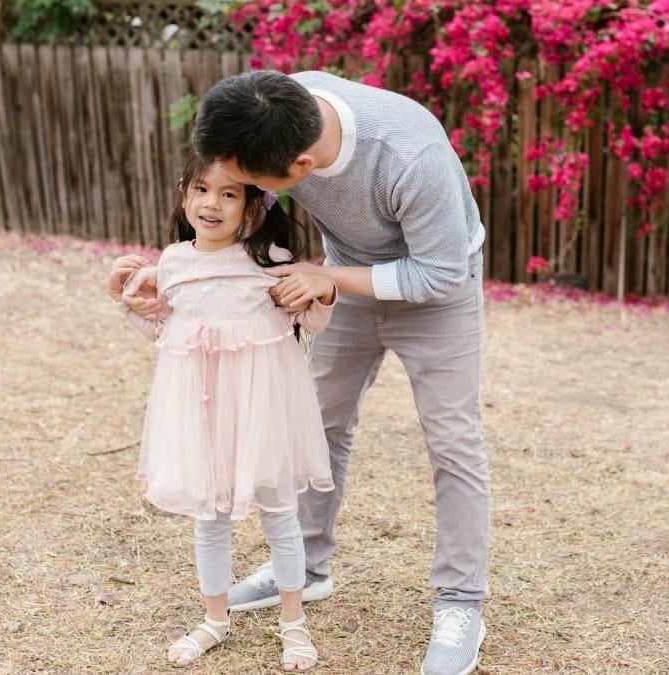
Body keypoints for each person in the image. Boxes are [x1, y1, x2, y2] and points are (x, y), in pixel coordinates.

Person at [193, 69, 491, 675]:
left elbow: (438, 273)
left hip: (439, 287)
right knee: (316, 427)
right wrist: (172, 276)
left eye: (251, 183)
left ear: (302, 166)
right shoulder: (274, 108)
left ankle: (460, 605)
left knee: (453, 445)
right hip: (340, 280)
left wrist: (329, 277)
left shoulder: (410, 155)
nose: (239, 190)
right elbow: (232, 210)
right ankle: (303, 567)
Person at [107, 154, 338, 671]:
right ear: (185, 195)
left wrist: (321, 290)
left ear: (252, 208)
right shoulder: (172, 263)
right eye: (201, 190)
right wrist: (127, 301)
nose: (212, 203)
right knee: (209, 517)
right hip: (200, 410)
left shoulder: (269, 260)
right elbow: (165, 335)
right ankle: (214, 619)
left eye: (229, 194)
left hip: (262, 411)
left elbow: (313, 321)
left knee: (280, 514)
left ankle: (293, 622)